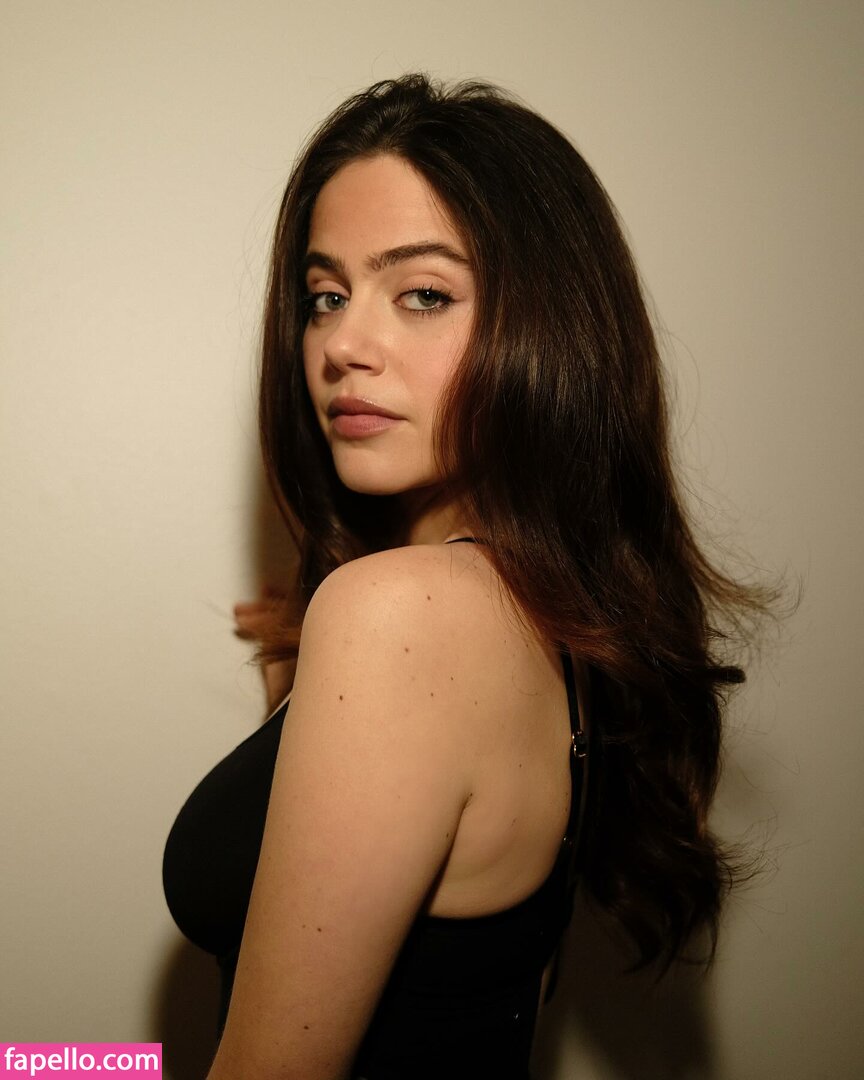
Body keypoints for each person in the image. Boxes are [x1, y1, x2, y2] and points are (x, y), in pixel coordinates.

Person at [163, 74, 763, 1079]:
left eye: (424, 295)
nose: (343, 345)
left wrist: (48, 1061)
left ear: (548, 330)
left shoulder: (400, 616)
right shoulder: (542, 617)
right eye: (324, 296)